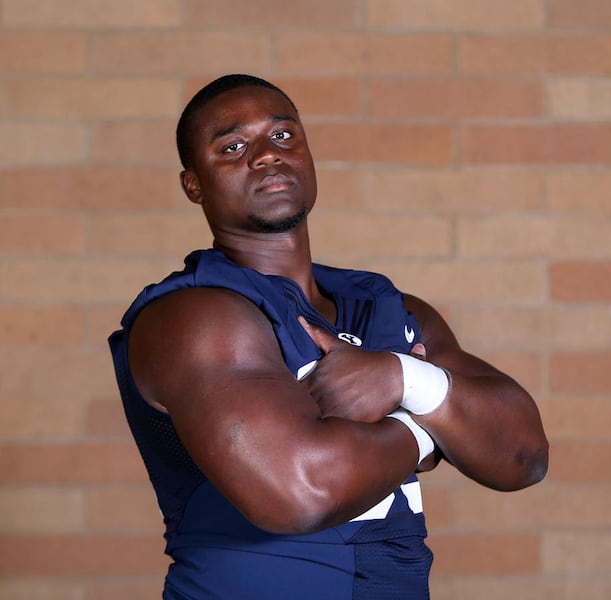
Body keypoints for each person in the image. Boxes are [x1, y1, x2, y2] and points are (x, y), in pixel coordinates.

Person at [109, 73, 548, 599]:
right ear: (194, 184)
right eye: (233, 146)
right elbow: (300, 493)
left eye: (284, 135)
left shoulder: (390, 307)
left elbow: (524, 455)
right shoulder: (194, 317)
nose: (267, 155)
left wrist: (400, 377)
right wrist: (427, 417)